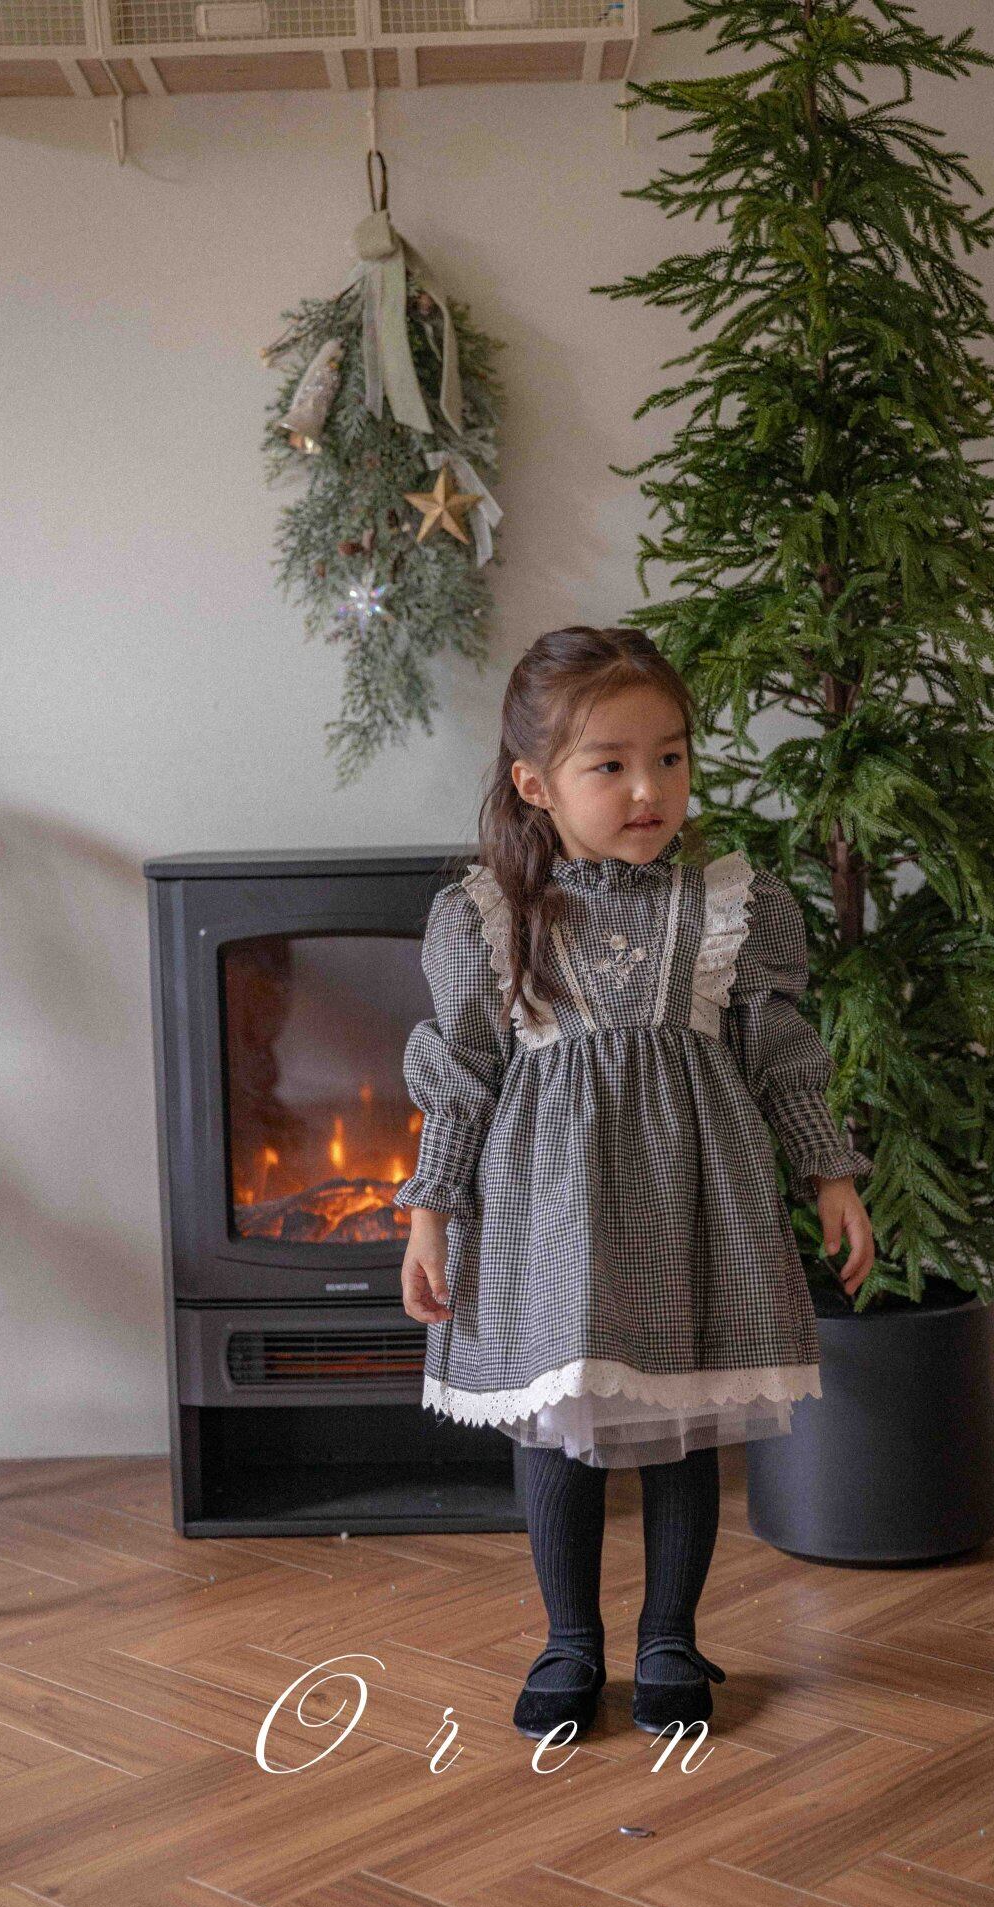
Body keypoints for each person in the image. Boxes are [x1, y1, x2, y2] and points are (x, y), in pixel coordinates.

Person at [394, 625, 876, 1742]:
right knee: (554, 1426)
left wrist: (828, 1173)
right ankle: (570, 1641)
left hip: (691, 1204)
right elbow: (459, 1075)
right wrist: (429, 1213)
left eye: (670, 757)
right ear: (536, 783)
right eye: (609, 765)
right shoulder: (488, 916)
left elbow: (779, 1051)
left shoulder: (728, 904)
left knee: (679, 1422)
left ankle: (669, 1637)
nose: (648, 789)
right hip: (545, 1218)